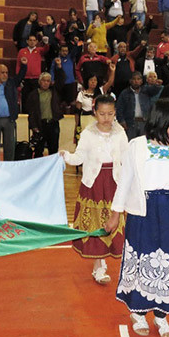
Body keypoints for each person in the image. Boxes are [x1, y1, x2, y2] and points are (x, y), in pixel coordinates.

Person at [106, 98, 169, 337]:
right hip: (143, 213)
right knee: (143, 260)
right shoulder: (137, 146)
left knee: (167, 261)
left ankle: (162, 315)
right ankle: (138, 313)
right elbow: (125, 181)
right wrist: (115, 212)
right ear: (160, 120)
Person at [61, 94, 128, 283]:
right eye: (102, 114)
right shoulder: (88, 133)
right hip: (94, 184)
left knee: (114, 222)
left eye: (110, 114)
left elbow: (127, 157)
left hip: (114, 183)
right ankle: (98, 266)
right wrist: (65, 155)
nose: (106, 118)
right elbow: (79, 157)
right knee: (96, 223)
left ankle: (117, 258)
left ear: (115, 113)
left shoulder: (120, 132)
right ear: (94, 112)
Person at [25, 72, 66, 157]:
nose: (46, 83)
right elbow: (31, 113)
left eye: (48, 81)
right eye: (44, 81)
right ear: (40, 82)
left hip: (53, 124)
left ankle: (52, 169)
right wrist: (34, 127)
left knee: (53, 149)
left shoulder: (54, 92)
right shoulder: (33, 94)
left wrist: (59, 69)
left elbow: (61, 81)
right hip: (40, 125)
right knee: (39, 150)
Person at [116, 72, 162, 139]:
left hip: (144, 123)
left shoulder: (146, 90)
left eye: (138, 79)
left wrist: (157, 85)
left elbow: (155, 90)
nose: (136, 81)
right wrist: (122, 121)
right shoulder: (124, 93)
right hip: (130, 123)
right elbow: (119, 108)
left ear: (141, 81)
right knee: (130, 144)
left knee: (144, 144)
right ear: (130, 81)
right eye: (134, 79)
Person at [17, 34, 50, 110]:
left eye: (34, 40)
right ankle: (25, 114)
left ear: (37, 42)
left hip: (36, 79)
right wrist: (19, 78)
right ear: (27, 41)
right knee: (25, 97)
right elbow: (18, 65)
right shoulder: (22, 51)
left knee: (36, 98)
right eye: (30, 40)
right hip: (25, 78)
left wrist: (46, 43)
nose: (32, 42)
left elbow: (46, 49)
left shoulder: (39, 50)